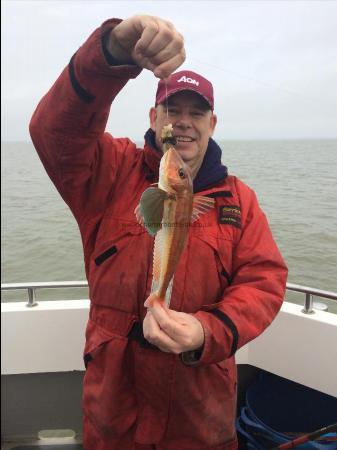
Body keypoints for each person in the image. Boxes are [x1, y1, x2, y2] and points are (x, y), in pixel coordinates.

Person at [30, 15, 288, 450]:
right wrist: (109, 53)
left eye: (196, 112)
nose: (183, 122)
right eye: (173, 110)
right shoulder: (109, 172)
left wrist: (208, 331)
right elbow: (55, 132)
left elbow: (264, 282)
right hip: (114, 414)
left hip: (198, 419)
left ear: (212, 124)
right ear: (153, 116)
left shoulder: (238, 200)